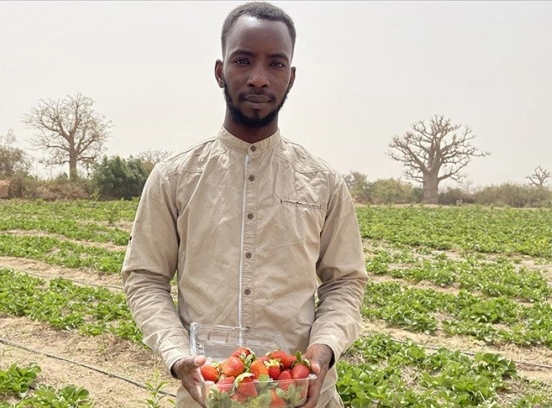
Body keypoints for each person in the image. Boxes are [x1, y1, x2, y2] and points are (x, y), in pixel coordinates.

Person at [121, 2, 368, 407]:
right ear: (220, 71)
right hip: (207, 394)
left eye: (275, 64)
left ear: (291, 77)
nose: (258, 78)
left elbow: (345, 282)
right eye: (243, 60)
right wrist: (176, 353)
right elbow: (145, 276)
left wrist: (324, 349)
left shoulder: (323, 182)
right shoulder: (175, 177)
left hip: (301, 393)